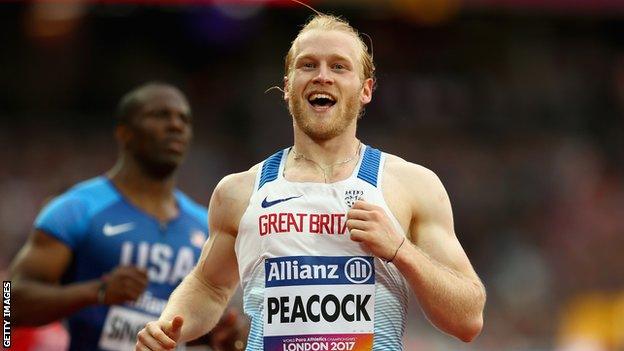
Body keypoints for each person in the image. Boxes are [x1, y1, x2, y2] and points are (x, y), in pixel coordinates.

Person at [136, 14, 486, 351]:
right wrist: (168, 326)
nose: (322, 76)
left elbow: (468, 319)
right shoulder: (240, 191)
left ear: (365, 90)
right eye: (308, 65)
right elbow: (209, 286)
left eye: (338, 66)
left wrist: (401, 251)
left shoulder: (411, 185)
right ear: (288, 87)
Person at [9, 82, 244, 351]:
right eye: (160, 115)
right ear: (125, 133)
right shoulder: (78, 209)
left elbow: (186, 322)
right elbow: (8, 304)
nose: (176, 125)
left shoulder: (204, 224)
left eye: (184, 119)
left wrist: (214, 336)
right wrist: (96, 292)